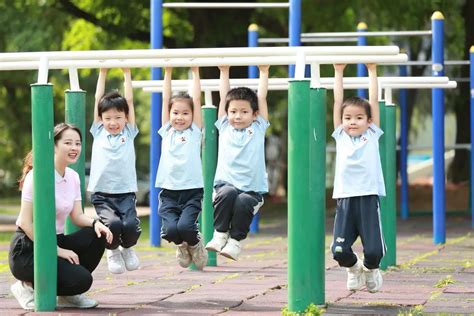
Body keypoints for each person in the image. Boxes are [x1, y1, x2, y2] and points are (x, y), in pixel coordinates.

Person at [9, 123, 113, 310]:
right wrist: (56, 250)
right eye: (68, 143)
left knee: (97, 235)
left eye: (78, 143)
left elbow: (77, 216)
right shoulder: (37, 175)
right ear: (54, 146)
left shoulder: (72, 176)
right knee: (82, 280)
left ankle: (67, 295)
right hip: (29, 248)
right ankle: (26, 286)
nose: (74, 148)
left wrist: (97, 223)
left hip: (56, 240)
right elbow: (25, 222)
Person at [330, 63, 386, 293]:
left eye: (359, 117)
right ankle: (354, 269)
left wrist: (372, 71)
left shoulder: (372, 135)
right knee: (339, 251)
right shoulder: (341, 136)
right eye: (348, 117)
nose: (352, 121)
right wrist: (338, 72)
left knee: (373, 251)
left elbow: (373, 101)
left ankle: (371, 269)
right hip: (345, 198)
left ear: (369, 121)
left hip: (368, 197)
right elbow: (337, 102)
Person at [205, 65, 270, 261]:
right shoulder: (224, 126)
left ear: (255, 114)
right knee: (228, 193)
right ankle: (220, 234)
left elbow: (262, 98)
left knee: (242, 202)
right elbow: (224, 96)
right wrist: (224, 71)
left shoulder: (258, 128)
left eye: (244, 112)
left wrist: (264, 72)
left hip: (252, 190)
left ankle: (235, 241)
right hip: (225, 184)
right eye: (233, 111)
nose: (238, 116)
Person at [88, 68, 142, 274]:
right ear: (101, 118)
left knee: (129, 225)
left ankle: (127, 248)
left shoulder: (128, 132)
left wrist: (128, 73)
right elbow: (97, 98)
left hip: (125, 191)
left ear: (126, 118)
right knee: (112, 223)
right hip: (102, 193)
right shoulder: (98, 130)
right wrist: (102, 72)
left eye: (118, 117)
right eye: (108, 117)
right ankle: (112, 251)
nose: (113, 122)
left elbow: (129, 99)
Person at [155, 67, 208, 270]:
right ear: (169, 115)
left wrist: (195, 72)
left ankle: (194, 243)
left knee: (185, 226)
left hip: (191, 190)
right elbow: (165, 97)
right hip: (168, 191)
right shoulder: (167, 131)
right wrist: (167, 73)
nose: (180, 117)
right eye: (175, 113)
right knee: (169, 231)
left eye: (185, 113)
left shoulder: (194, 132)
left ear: (192, 116)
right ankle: (182, 245)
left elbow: (196, 99)